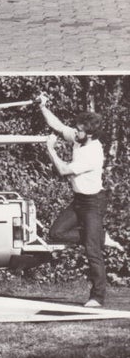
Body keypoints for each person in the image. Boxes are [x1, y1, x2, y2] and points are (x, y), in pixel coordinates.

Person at [36, 93, 122, 308]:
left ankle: (97, 297)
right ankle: (101, 237)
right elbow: (58, 126)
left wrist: (50, 149)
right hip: (79, 200)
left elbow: (64, 170)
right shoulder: (79, 138)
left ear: (90, 134)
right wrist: (42, 106)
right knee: (56, 233)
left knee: (92, 251)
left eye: (80, 130)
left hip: (94, 203)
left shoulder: (92, 153)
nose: (76, 131)